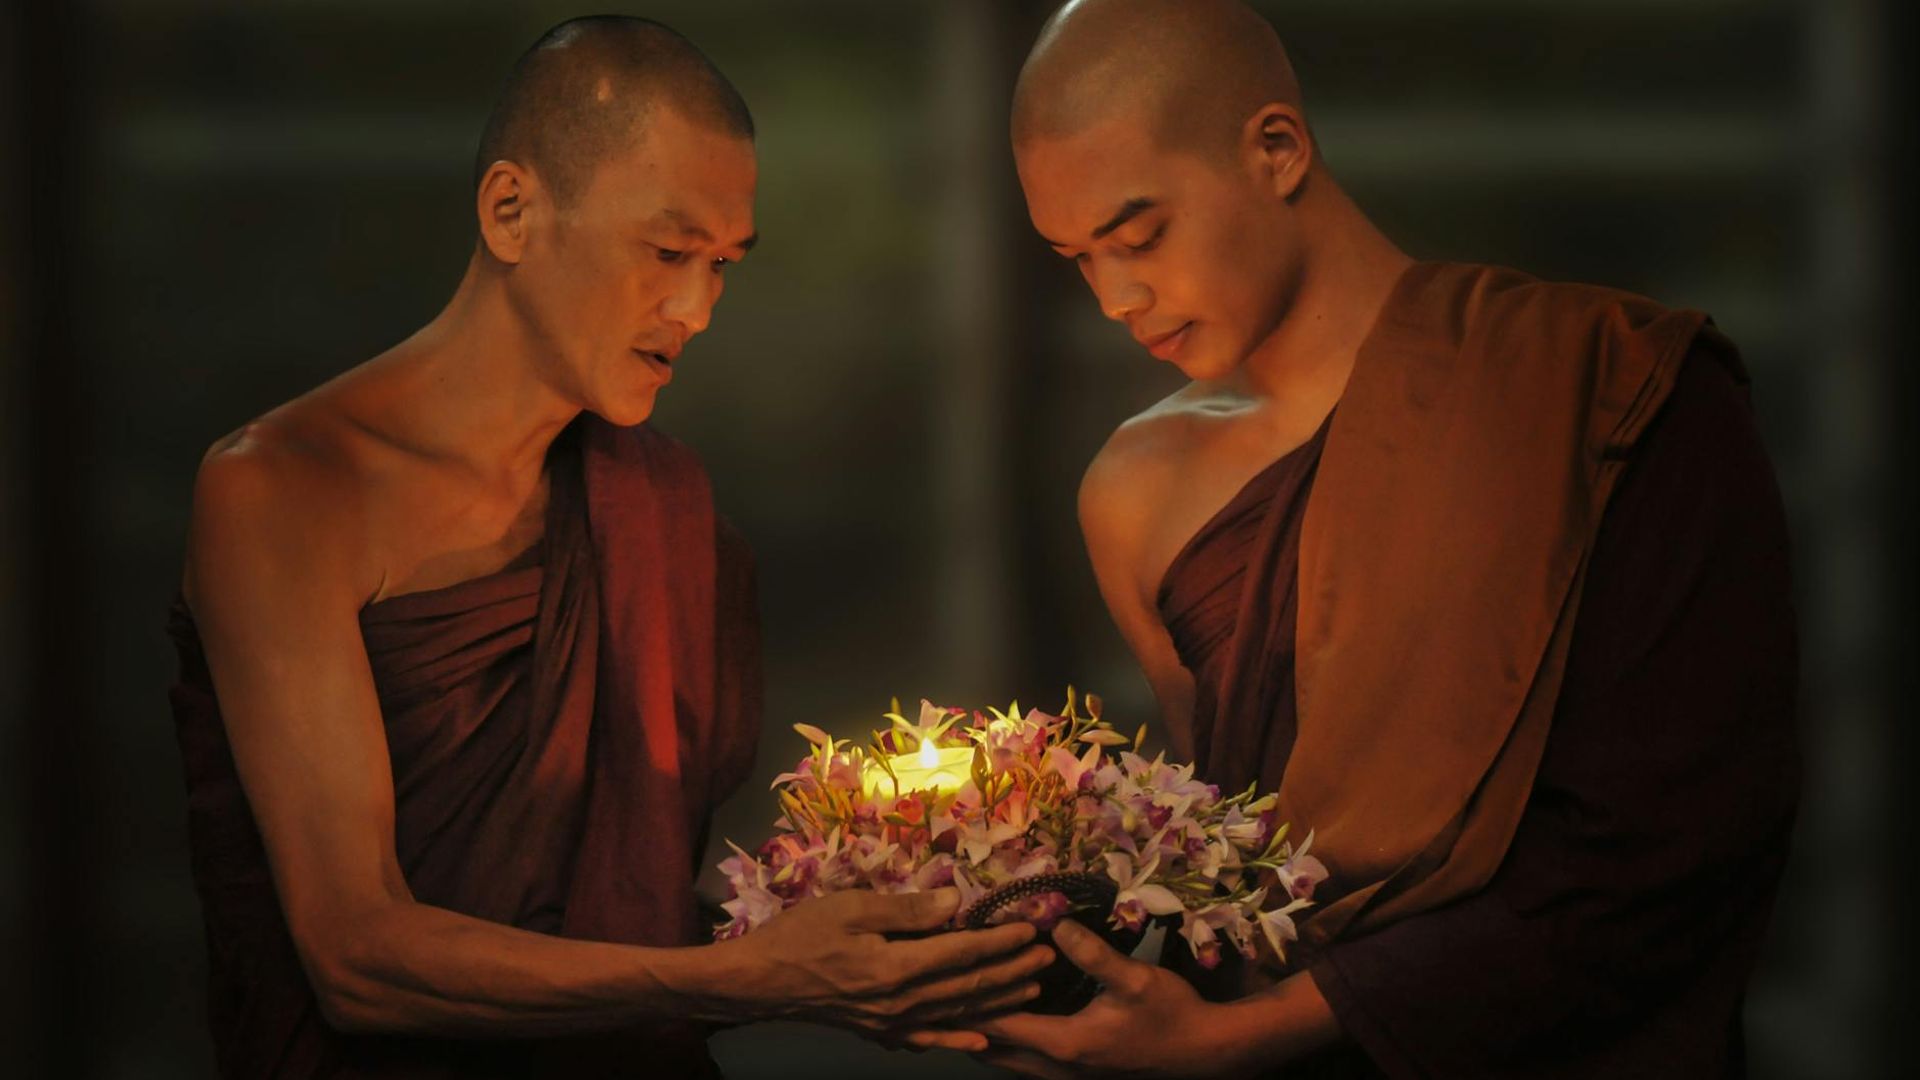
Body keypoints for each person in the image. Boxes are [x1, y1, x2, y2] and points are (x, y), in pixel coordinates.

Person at [166, 16, 1048, 1078]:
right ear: (511, 211)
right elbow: (356, 956)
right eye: (668, 251)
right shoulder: (285, 487)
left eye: (723, 264)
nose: (698, 308)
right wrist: (754, 979)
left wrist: (875, 939)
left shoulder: (662, 507)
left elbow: (630, 894)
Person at [969, 1, 1800, 1076]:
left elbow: (1675, 853)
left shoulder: (1604, 392)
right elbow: (1233, 867)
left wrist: (1253, 1039)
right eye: (1076, 257)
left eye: (1139, 236)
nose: (1118, 294)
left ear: (1277, 148)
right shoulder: (1137, 490)